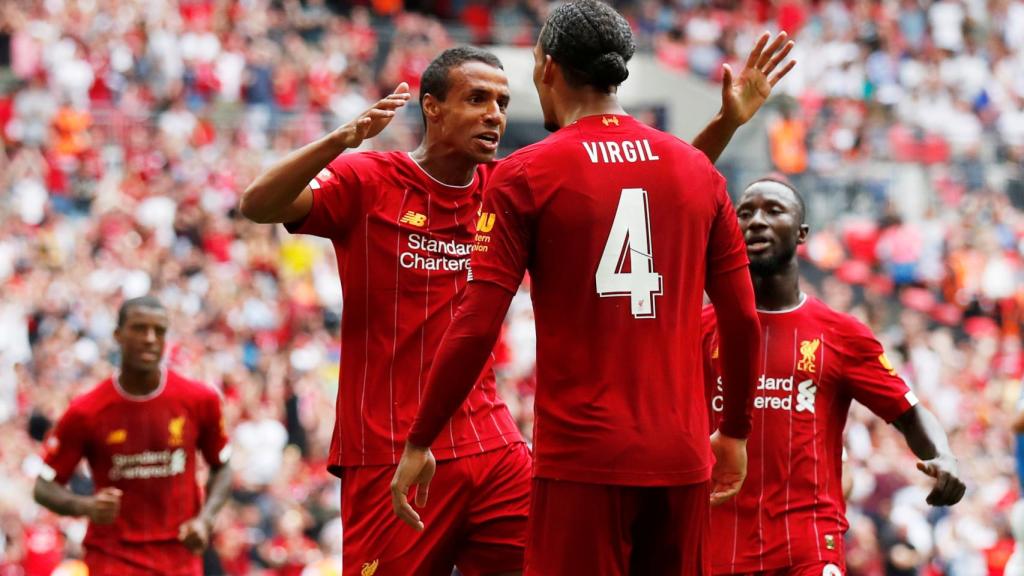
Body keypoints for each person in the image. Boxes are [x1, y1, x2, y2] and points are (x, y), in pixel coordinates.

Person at [245, 25, 793, 576]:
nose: (495, 115)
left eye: (503, 102)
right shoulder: (370, 179)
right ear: (431, 107)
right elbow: (259, 204)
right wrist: (338, 140)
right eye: (477, 99)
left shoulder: (506, 184)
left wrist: (726, 123)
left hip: (490, 443)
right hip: (391, 445)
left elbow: (646, 191)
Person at [700, 176, 966, 575]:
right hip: (717, 546)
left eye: (773, 211)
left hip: (808, 548)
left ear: (802, 233)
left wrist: (942, 454)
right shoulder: (699, 330)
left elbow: (910, 413)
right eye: (745, 213)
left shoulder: (841, 334)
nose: (756, 221)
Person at [33, 296, 232, 576]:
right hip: (113, 557)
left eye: (159, 331)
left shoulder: (199, 400)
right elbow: (44, 487)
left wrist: (206, 520)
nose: (150, 339)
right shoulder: (87, 411)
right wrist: (86, 506)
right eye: (139, 329)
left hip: (178, 557)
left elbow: (222, 466)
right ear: (118, 335)